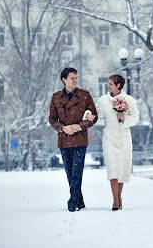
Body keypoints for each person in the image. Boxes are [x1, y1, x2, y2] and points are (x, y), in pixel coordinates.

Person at [48, 67, 98, 212]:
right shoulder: (56, 97)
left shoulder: (85, 95)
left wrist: (80, 126)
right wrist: (62, 128)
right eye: (72, 78)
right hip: (64, 139)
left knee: (77, 171)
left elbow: (93, 116)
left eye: (76, 77)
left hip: (80, 140)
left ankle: (72, 200)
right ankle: (79, 200)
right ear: (64, 80)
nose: (75, 80)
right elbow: (52, 119)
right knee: (69, 172)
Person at [93, 74, 139, 211]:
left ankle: (119, 197)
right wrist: (89, 115)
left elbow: (135, 118)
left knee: (122, 169)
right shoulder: (103, 100)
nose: (108, 86)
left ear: (119, 85)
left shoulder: (129, 100)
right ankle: (115, 200)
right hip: (109, 138)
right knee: (113, 168)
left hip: (124, 138)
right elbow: (96, 114)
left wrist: (123, 118)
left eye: (111, 84)